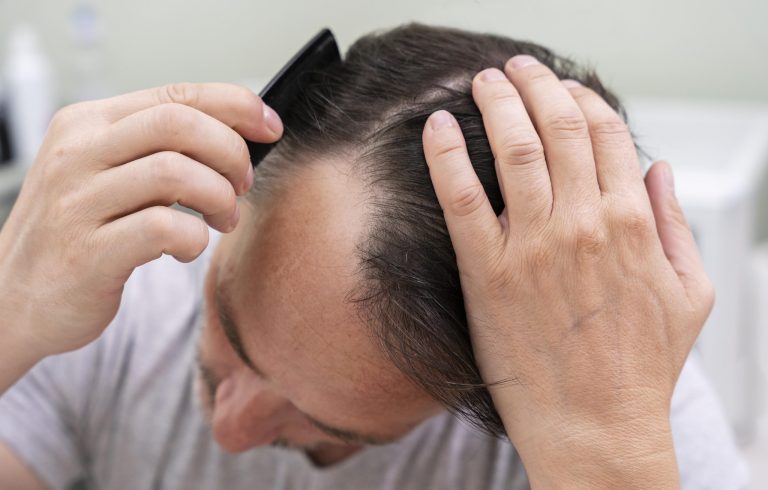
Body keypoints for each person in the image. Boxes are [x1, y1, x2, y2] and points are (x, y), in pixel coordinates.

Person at [0, 23, 748, 489]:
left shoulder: (607, 409)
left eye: (338, 429)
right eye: (229, 319)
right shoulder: (116, 297)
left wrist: (601, 460)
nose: (227, 430)